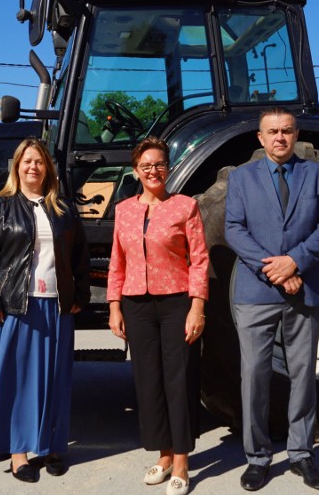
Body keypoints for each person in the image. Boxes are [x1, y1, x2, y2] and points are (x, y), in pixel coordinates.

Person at [224, 107, 319, 492]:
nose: (279, 138)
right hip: (256, 291)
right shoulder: (241, 178)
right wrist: (273, 269)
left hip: (305, 287)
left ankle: (301, 454)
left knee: (303, 375)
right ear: (260, 137)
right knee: (255, 376)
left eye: (286, 131)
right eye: (272, 131)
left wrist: (295, 262)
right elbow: (234, 230)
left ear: (296, 134)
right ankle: (257, 458)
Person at [0, 137, 90, 483]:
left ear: (47, 168)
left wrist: (80, 294)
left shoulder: (63, 209)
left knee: (55, 379)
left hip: (56, 306)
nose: (33, 167)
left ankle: (52, 446)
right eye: (27, 162)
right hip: (14, 308)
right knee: (16, 381)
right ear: (17, 166)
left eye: (39, 162)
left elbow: (80, 257)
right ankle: (19, 453)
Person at [107, 137, 209, 495]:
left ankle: (182, 460)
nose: (154, 171)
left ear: (169, 168)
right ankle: (164, 454)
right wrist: (114, 306)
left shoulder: (185, 207)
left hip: (176, 301)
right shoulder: (123, 210)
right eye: (146, 165)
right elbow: (117, 261)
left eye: (160, 164)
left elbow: (199, 259)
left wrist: (197, 306)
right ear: (136, 171)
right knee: (148, 380)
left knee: (178, 380)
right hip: (136, 303)